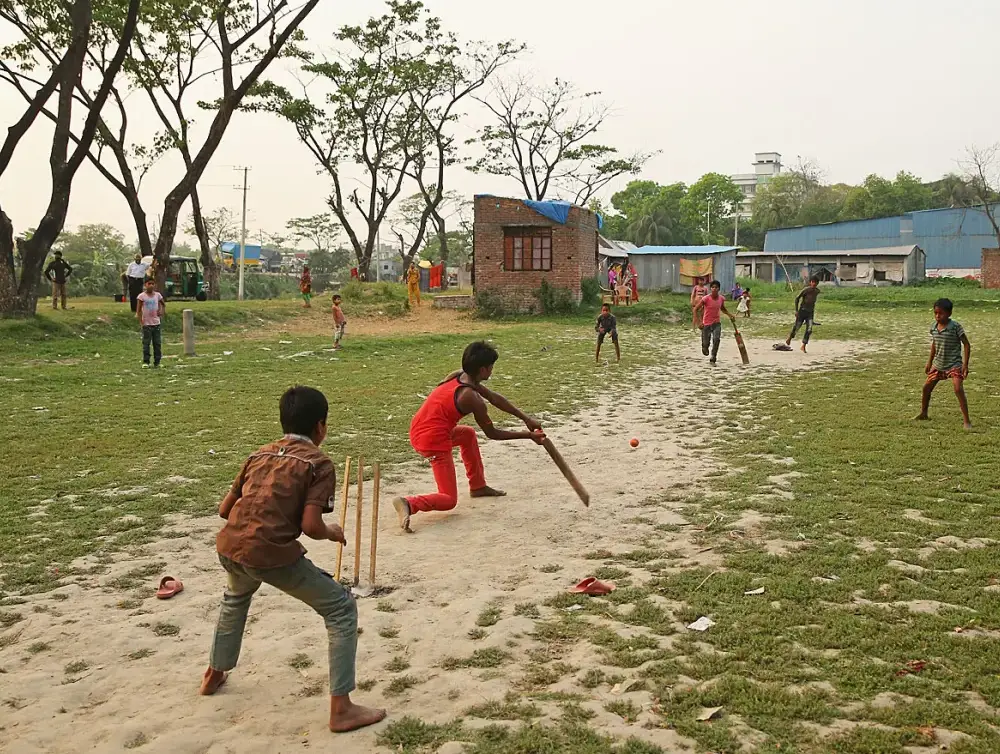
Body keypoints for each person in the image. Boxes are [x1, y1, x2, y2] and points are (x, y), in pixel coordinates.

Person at [200, 386, 387, 733]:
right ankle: (342, 709)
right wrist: (332, 531)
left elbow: (225, 509)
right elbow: (311, 526)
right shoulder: (318, 463)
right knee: (341, 608)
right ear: (321, 427)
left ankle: (214, 674)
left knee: (236, 598)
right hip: (270, 553)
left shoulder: (258, 454)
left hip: (229, 545)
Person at [391, 342, 545, 532]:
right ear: (482, 370)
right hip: (432, 440)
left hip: (422, 428)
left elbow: (495, 398)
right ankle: (409, 503)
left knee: (467, 434)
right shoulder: (470, 397)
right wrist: (528, 436)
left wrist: (526, 419)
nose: (492, 370)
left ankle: (478, 486)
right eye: (491, 367)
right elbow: (492, 433)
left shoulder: (459, 376)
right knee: (448, 500)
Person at [916, 298, 972, 430]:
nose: (937, 316)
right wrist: (929, 362)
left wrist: (965, 364)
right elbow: (934, 344)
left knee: (958, 389)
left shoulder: (955, 327)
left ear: (949, 313)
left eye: (940, 313)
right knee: (926, 388)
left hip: (954, 364)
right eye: (935, 313)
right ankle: (924, 413)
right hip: (938, 364)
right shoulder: (934, 328)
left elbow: (967, 344)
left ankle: (966, 421)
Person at [694, 280, 736, 365]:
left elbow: (723, 308)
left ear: (718, 289)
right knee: (706, 344)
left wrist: (729, 315)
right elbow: (695, 309)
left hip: (716, 323)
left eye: (716, 287)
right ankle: (704, 346)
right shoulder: (706, 298)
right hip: (706, 324)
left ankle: (713, 356)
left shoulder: (721, 298)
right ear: (710, 289)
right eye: (712, 287)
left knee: (716, 339)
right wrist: (699, 322)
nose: (714, 289)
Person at [786, 276, 821, 353]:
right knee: (797, 327)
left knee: (809, 329)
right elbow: (797, 299)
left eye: (816, 283)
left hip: (810, 313)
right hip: (802, 311)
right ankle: (790, 337)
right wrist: (796, 310)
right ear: (810, 282)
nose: (814, 284)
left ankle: (803, 345)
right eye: (813, 282)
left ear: (817, 283)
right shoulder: (806, 290)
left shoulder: (817, 291)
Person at [136, 279, 165, 368]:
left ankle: (157, 362)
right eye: (149, 284)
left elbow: (163, 304)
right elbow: (139, 310)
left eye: (153, 284)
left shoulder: (157, 295)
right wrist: (141, 321)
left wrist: (161, 311)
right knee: (146, 343)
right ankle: (146, 361)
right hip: (147, 324)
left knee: (157, 343)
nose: (151, 285)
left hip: (156, 323)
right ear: (145, 285)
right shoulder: (142, 296)